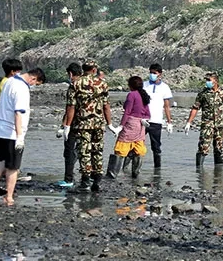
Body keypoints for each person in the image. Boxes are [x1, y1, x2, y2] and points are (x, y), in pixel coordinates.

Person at [0, 68, 46, 205]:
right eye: (35, 84)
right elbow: (18, 113)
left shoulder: (10, 81)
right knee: (13, 167)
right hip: (12, 130)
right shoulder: (22, 89)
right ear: (33, 79)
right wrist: (20, 137)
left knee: (6, 160)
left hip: (0, 127)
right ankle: (9, 197)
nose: (33, 86)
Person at [66, 60, 119, 192]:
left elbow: (71, 106)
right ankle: (97, 180)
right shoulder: (102, 84)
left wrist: (67, 125)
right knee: (97, 150)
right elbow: (106, 106)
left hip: (82, 124)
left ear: (83, 69)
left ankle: (85, 181)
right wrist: (110, 124)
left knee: (84, 152)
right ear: (94, 69)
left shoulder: (76, 84)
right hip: (98, 124)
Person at [185, 72, 223, 166]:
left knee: (219, 149)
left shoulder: (222, 93)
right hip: (207, 125)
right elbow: (195, 108)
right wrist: (189, 122)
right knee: (203, 148)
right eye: (206, 80)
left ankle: (218, 175)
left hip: (219, 126)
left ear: (215, 81)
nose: (207, 82)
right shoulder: (203, 94)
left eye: (209, 80)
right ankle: (199, 173)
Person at [107, 76, 151, 179]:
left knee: (121, 148)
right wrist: (144, 119)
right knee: (139, 149)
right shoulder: (143, 95)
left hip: (131, 124)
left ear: (130, 85)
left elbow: (127, 112)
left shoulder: (132, 95)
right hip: (140, 126)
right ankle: (135, 174)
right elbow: (148, 113)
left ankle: (113, 174)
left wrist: (120, 126)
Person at [55, 62, 83, 187]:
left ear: (70, 74)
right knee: (86, 151)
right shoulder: (93, 84)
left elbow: (70, 108)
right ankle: (89, 178)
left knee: (69, 151)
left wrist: (65, 126)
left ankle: (68, 179)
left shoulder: (73, 86)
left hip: (75, 124)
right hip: (89, 124)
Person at [143, 64, 174, 169]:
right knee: (136, 144)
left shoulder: (165, 87)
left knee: (156, 147)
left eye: (154, 73)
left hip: (156, 121)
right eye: (150, 72)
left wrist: (169, 122)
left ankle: (157, 170)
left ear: (160, 74)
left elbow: (166, 106)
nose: (152, 75)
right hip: (143, 120)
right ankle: (130, 170)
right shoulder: (144, 85)